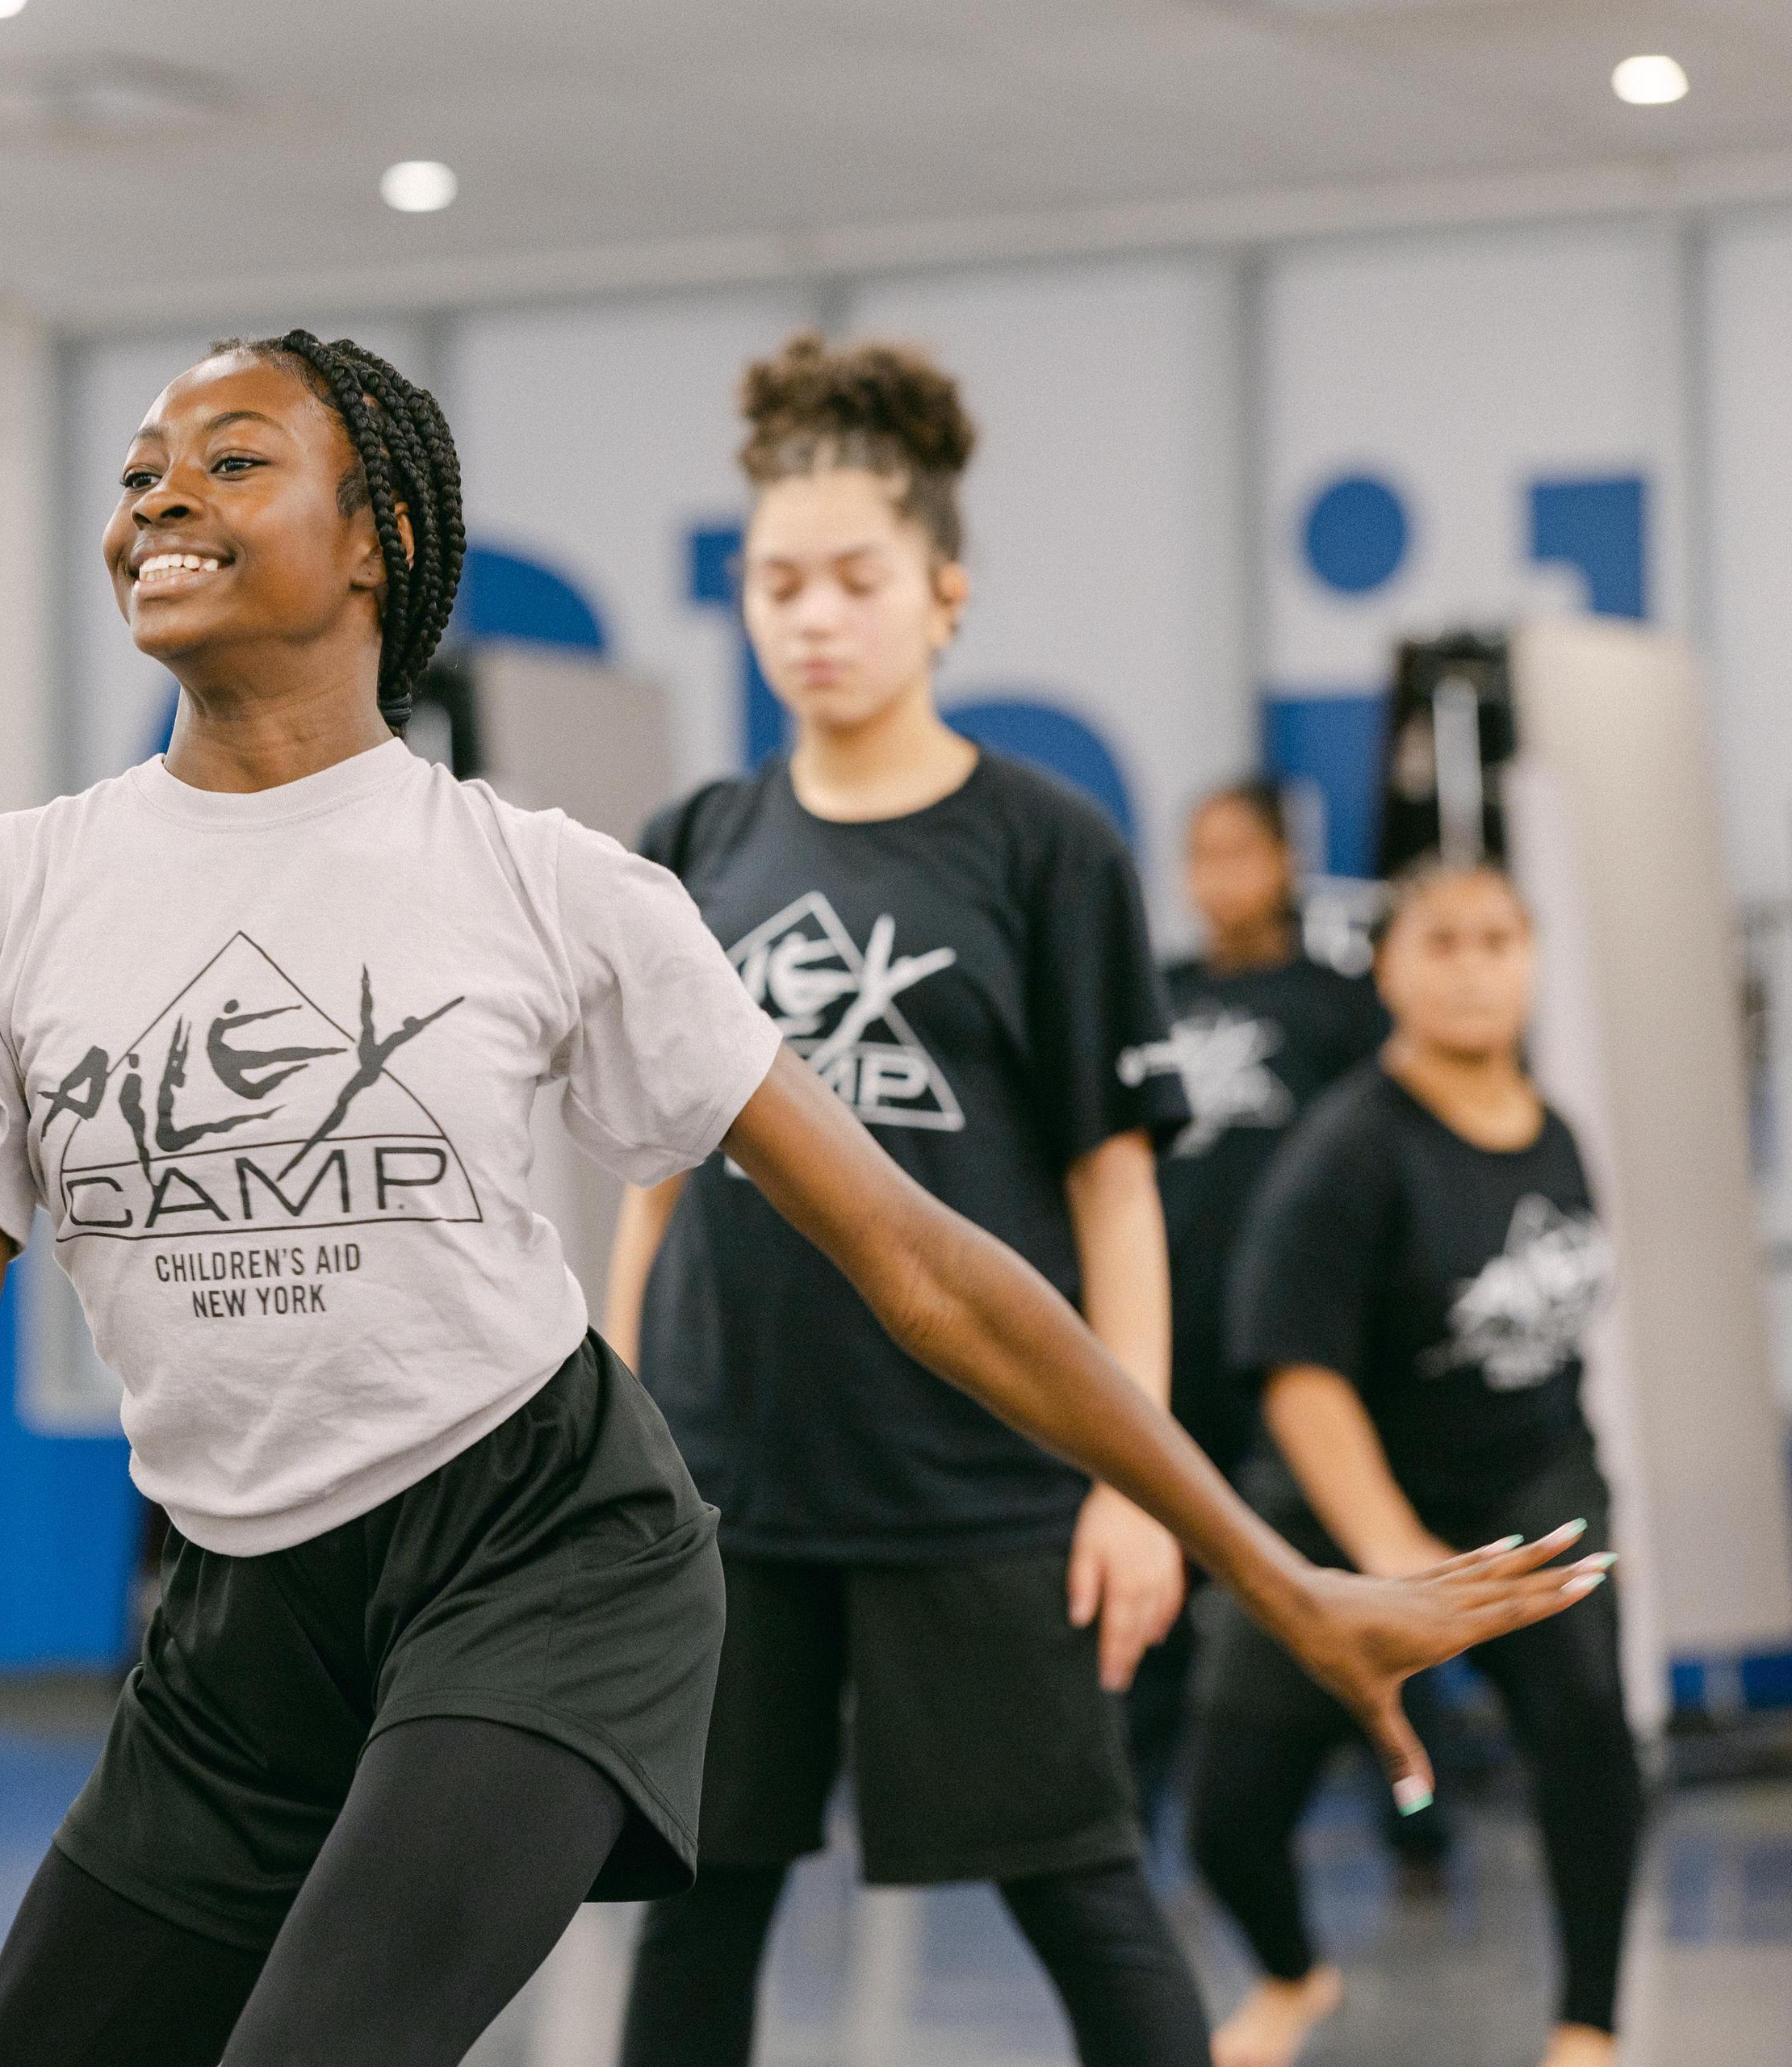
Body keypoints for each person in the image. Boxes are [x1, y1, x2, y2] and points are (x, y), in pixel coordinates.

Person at [0, 333, 1604, 2067]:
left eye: (232, 461)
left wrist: (1266, 1564)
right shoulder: (0, 898)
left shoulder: (550, 884)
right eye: (137, 471)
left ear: (380, 540)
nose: (157, 499)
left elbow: (923, 1265)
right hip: (237, 1621)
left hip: (548, 1558)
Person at [606, 332, 1216, 2067]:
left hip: (984, 1482)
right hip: (733, 1494)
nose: (814, 615)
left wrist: (1137, 1478)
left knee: (1082, 1889)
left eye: (856, 579)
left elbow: (1117, 1194)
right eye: (775, 581)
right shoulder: (697, 839)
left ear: (942, 592)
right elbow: (650, 1192)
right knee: (701, 1899)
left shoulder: (1048, 847)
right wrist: (611, 1447)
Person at [1188, 856, 1639, 2067]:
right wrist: (1392, 1556)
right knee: (1229, 1814)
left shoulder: (1559, 1135)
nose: (1475, 967)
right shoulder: (1347, 1153)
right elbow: (1299, 1376)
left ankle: (1589, 2028)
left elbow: (1548, 1339)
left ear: (1534, 958)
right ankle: (1293, 1978)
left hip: (1526, 1482)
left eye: (1499, 939)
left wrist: (1582, 1498)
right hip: (1346, 1507)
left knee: (1592, 1732)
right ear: (1386, 968)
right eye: (1441, 942)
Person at [1124, 781, 1395, 1824]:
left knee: (1333, 1569)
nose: (1216, 877)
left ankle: (1416, 1804)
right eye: (1199, 853)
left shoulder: (1338, 1004)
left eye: (1239, 852)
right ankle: (1135, 1816)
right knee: (1159, 1581)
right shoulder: (1155, 995)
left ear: (1285, 863)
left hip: (1295, 1348)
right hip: (1173, 1344)